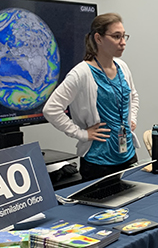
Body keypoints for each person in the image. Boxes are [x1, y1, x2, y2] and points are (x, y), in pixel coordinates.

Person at [43, 13, 139, 182]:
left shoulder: (122, 67)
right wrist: (81, 134)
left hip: (128, 156)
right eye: (116, 37)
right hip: (99, 163)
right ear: (98, 38)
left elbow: (133, 96)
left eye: (124, 36)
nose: (123, 42)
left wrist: (131, 118)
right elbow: (51, 109)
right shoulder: (81, 73)